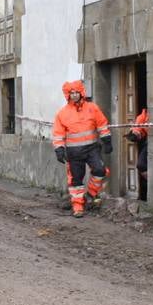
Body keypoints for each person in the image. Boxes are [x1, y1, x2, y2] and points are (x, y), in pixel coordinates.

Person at [51, 79, 111, 217]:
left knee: (100, 170)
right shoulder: (62, 113)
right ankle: (78, 206)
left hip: (92, 148)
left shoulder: (92, 108)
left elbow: (102, 124)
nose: (74, 95)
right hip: (73, 152)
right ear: (67, 95)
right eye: (71, 93)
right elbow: (58, 133)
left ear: (81, 92)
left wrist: (107, 140)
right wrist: (59, 149)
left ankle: (91, 193)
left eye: (76, 92)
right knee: (76, 180)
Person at [126, 108, 149, 202]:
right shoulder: (142, 116)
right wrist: (135, 134)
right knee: (141, 165)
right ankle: (151, 183)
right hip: (148, 143)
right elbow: (137, 129)